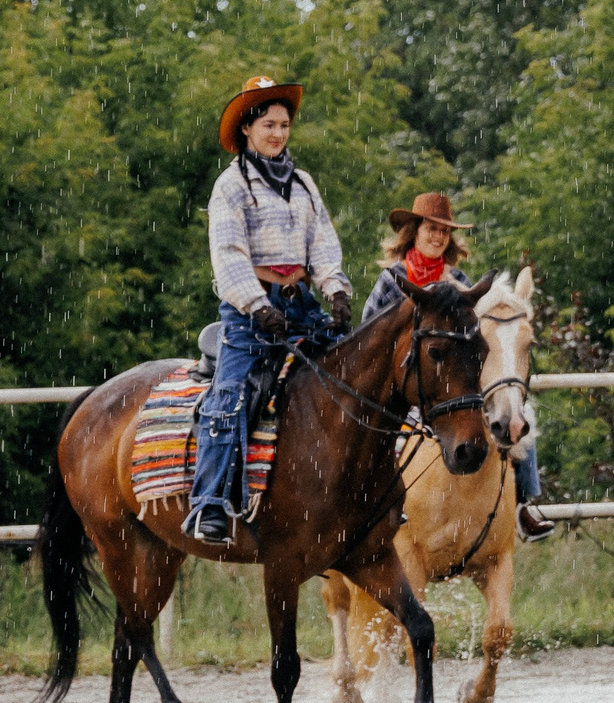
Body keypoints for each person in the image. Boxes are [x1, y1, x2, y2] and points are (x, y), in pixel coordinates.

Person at [186, 77, 354, 545]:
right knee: (231, 398)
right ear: (247, 129)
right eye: (268, 124)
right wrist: (258, 307)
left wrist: (335, 289)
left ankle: (369, 495)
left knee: (358, 378)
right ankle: (211, 504)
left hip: (301, 304)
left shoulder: (302, 183)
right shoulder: (230, 186)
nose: (278, 133)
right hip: (250, 313)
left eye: (283, 124)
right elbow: (229, 253)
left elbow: (322, 240)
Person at [363, 190, 556, 544]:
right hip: (408, 382)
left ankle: (522, 503)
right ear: (414, 232)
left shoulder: (461, 282)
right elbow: (369, 333)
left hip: (454, 381)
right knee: (383, 435)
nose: (437, 237)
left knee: (518, 410)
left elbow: (478, 333)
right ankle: (375, 503)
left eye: (443, 231)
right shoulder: (392, 280)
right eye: (430, 229)